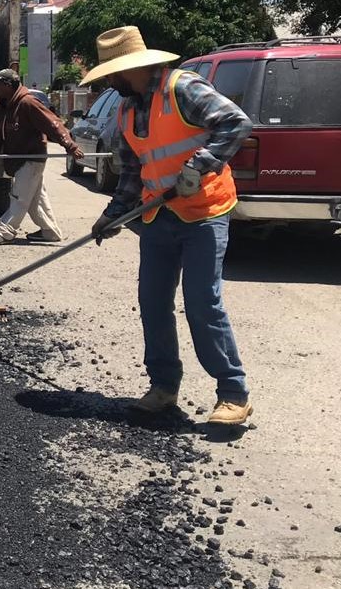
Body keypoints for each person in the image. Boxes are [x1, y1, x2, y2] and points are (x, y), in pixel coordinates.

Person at [83, 26, 254, 426]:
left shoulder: (182, 88)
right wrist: (111, 216)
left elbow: (235, 122)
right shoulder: (127, 109)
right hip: (157, 216)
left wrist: (198, 166)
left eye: (112, 73)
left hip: (204, 212)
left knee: (201, 303)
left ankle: (233, 393)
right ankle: (163, 387)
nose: (109, 81)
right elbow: (130, 171)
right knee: (153, 302)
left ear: (131, 69)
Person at [0, 68, 84, 244]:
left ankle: (4, 231)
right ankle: (49, 231)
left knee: (20, 196)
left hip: (32, 157)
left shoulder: (28, 103)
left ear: (8, 86)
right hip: (15, 157)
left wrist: (70, 145)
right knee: (35, 199)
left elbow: (53, 125)